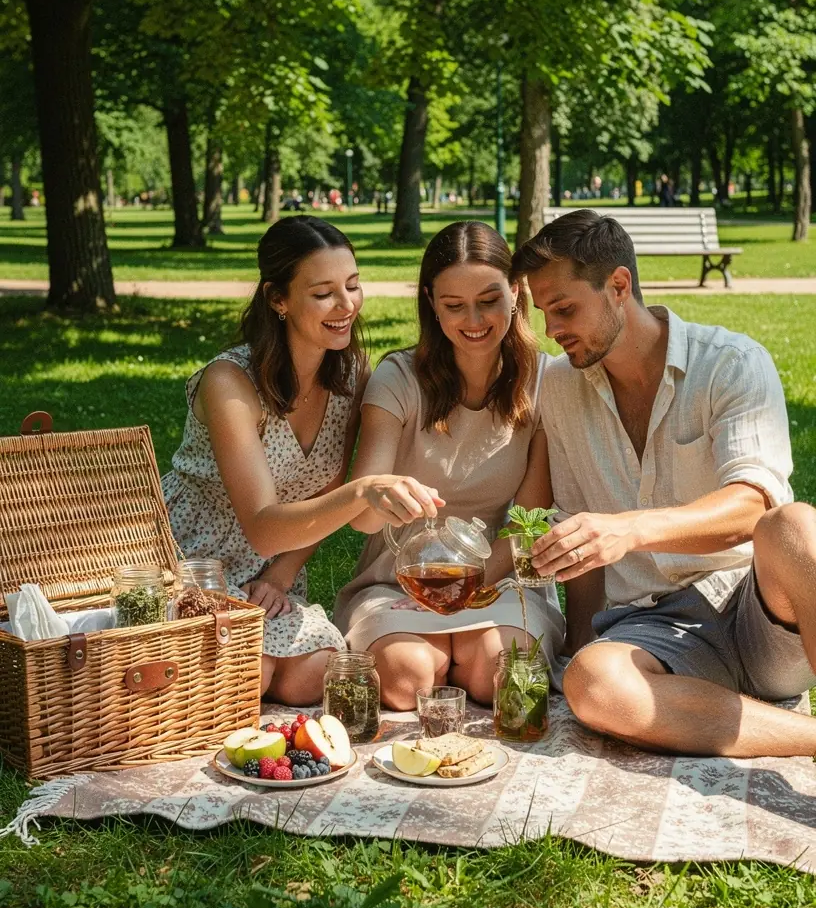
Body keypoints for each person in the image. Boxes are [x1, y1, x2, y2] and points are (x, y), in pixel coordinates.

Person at [512, 208, 816, 757]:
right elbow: (587, 547)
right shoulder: (559, 387)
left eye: (563, 309)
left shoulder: (731, 364)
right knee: (591, 683)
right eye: (544, 314)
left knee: (795, 526)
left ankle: (711, 710)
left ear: (619, 286)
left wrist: (631, 530)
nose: (551, 331)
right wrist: (584, 644)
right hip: (652, 628)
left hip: (755, 611)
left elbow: (753, 507)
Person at [162, 216, 441, 704]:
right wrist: (360, 491)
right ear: (278, 299)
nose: (346, 305)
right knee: (255, 676)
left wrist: (282, 575)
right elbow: (263, 525)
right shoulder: (229, 384)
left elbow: (321, 490)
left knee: (316, 677)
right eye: (323, 293)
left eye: (353, 286)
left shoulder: (351, 373)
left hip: (275, 565)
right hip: (192, 560)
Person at [334, 221, 565, 710]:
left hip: (501, 579)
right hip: (397, 581)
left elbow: (528, 520)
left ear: (516, 292)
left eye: (489, 300)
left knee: (496, 678)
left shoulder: (545, 380)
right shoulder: (397, 379)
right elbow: (363, 517)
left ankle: (461, 653)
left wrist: (470, 589)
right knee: (405, 680)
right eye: (454, 306)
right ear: (431, 305)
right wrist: (377, 494)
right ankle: (438, 654)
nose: (474, 320)